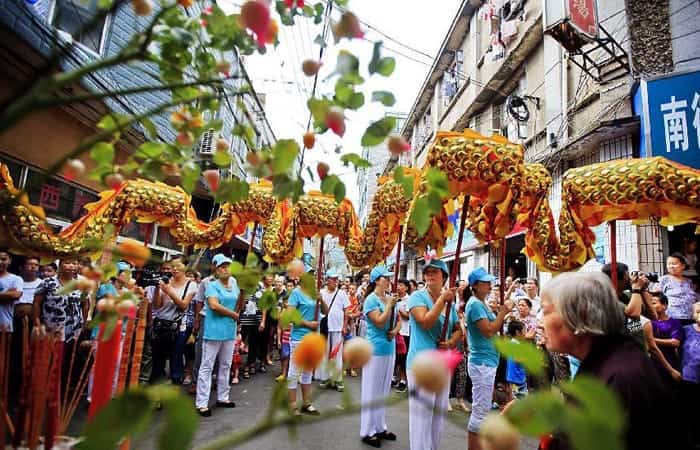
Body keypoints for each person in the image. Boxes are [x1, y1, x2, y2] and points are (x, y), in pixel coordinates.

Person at [541, 271, 679, 450]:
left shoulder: (622, 376)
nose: (540, 322)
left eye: (545, 312)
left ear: (578, 315)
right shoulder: (601, 362)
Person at [407, 259, 462, 450]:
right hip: (421, 364)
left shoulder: (449, 304)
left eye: (435, 272)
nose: (430, 275)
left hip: (442, 363)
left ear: (444, 277)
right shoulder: (417, 297)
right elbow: (424, 322)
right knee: (421, 416)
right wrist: (441, 301)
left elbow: (458, 329)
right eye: (427, 272)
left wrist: (450, 342)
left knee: (438, 416)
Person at [465, 267, 513, 450]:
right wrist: (502, 313)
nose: (489, 285)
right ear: (475, 286)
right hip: (482, 362)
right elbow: (489, 330)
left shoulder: (480, 303)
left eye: (488, 282)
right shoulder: (476, 304)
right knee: (480, 412)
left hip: (486, 361)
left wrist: (501, 312)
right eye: (485, 283)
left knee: (482, 410)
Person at [360, 265, 401, 448]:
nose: (389, 280)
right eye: (386, 277)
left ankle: (380, 426)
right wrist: (389, 306)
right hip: (375, 349)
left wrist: (395, 331)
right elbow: (378, 322)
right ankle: (367, 431)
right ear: (377, 280)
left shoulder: (389, 298)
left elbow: (399, 321)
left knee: (383, 390)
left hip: (389, 348)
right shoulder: (371, 300)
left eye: (389, 277)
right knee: (371, 391)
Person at [196, 255, 239, 416]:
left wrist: (237, 314)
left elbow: (238, 301)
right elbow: (213, 305)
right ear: (216, 269)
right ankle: (201, 403)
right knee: (207, 366)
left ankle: (223, 397)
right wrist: (232, 314)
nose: (225, 269)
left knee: (226, 364)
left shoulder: (234, 283)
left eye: (227, 266)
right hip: (213, 330)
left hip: (229, 331)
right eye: (221, 267)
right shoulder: (210, 285)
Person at [286, 263, 328, 416]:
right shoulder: (295, 293)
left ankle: (306, 403)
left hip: (313, 338)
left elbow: (325, 311)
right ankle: (292, 404)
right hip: (298, 337)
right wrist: (307, 323)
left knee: (308, 371)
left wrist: (321, 300)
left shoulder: (315, 293)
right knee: (294, 371)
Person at [150, 259, 196, 384]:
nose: (174, 269)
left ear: (186, 267)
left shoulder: (190, 285)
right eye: (172, 266)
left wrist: (169, 292)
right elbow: (157, 305)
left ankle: (175, 388)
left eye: (178, 266)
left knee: (176, 359)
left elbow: (183, 305)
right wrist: (157, 289)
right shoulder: (165, 282)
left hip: (178, 328)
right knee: (158, 362)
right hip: (161, 326)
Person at [602, 262, 657, 350]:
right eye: (627, 276)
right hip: (621, 351)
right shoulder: (607, 299)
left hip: (637, 347)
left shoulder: (627, 296)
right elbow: (633, 314)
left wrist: (642, 289)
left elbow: (653, 316)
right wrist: (636, 288)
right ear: (616, 279)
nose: (631, 280)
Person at [318, 270, 350, 391]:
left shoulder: (342, 293)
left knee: (337, 354)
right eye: (333, 279)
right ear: (328, 280)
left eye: (337, 279)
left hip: (337, 328)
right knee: (325, 353)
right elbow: (318, 309)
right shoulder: (321, 293)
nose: (336, 281)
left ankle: (338, 379)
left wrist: (344, 326)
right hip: (325, 328)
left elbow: (346, 310)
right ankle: (325, 378)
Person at [240, 274, 271, 378]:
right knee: (242, 343)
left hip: (256, 320)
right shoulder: (243, 289)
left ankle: (250, 365)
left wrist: (263, 321)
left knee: (255, 343)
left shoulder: (261, 289)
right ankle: (243, 365)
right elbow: (240, 304)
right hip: (245, 320)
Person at [650, 291, 683, 383]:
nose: (651, 306)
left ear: (664, 305)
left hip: (669, 363)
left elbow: (675, 342)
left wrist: (651, 340)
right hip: (651, 364)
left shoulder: (674, 322)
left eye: (654, 303)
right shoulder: (646, 322)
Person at [680, 302, 700, 448]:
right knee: (689, 413)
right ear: (692, 314)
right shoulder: (686, 330)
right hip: (689, 377)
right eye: (698, 312)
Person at [659, 253, 698, 324]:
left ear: (683, 266)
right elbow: (658, 297)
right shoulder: (664, 280)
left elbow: (693, 297)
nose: (671, 266)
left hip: (690, 317)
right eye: (669, 264)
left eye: (674, 263)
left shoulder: (688, 281)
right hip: (673, 317)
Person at [505, 321, 528, 399]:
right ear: (518, 332)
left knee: (520, 399)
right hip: (515, 378)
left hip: (518, 377)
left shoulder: (515, 343)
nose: (526, 332)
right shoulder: (515, 344)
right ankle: (505, 411)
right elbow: (517, 359)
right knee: (517, 399)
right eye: (524, 330)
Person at [395, 279, 411, 393]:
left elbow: (407, 316)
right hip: (395, 331)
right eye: (398, 285)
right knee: (397, 357)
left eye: (401, 285)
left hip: (405, 332)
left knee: (403, 358)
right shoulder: (394, 298)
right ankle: (397, 378)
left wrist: (398, 309)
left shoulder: (409, 300)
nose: (398, 287)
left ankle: (404, 380)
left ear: (406, 288)